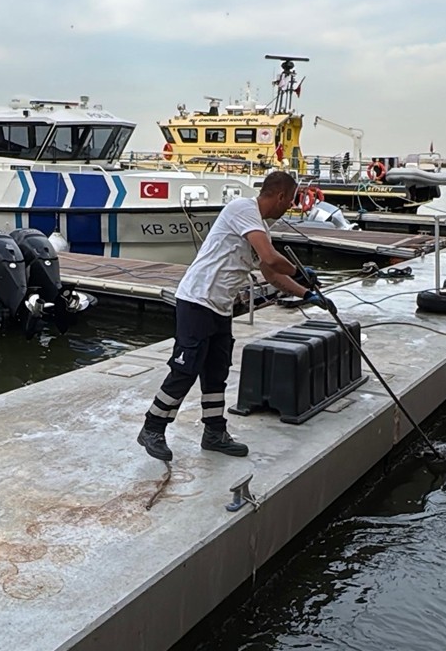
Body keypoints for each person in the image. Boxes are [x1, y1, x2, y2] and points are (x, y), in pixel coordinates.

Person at [137, 171, 334, 462]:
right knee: (186, 368)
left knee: (217, 371)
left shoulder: (259, 228)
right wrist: (299, 272)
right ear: (280, 196)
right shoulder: (242, 209)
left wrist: (306, 294)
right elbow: (271, 258)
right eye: (290, 200)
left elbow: (271, 274)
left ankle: (214, 432)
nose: (290, 207)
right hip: (197, 299)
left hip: (220, 306)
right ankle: (152, 427)